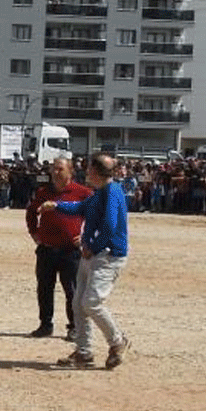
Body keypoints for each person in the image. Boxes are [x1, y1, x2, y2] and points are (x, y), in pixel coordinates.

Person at [40, 152, 131, 369]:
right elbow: (82, 208)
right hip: (92, 254)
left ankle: (118, 341)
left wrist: (94, 246)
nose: (85, 172)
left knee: (91, 303)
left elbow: (110, 225)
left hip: (107, 255)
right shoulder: (101, 193)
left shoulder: (112, 192)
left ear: (96, 172)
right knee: (79, 304)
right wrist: (58, 206)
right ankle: (84, 351)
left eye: (89, 168)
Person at [25, 157, 92, 339]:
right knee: (44, 288)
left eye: (60, 169)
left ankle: (74, 327)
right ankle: (45, 325)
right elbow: (31, 211)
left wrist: (87, 236)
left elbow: (97, 216)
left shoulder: (82, 193)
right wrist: (34, 231)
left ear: (70, 172)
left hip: (70, 251)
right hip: (47, 249)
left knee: (72, 291)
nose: (55, 172)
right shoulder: (43, 192)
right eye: (53, 169)